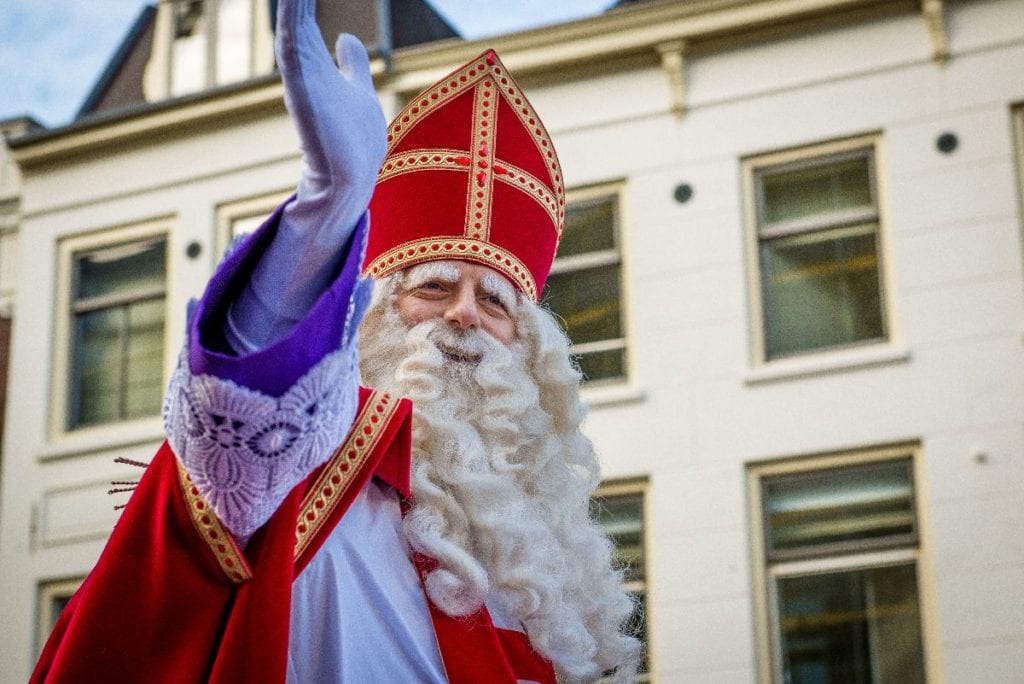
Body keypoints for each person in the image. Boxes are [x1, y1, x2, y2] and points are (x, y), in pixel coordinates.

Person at [32, 0, 641, 681]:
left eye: (494, 301)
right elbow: (243, 413)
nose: (464, 315)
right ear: (375, 317)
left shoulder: (541, 547)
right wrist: (326, 212)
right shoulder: (299, 463)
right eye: (434, 287)